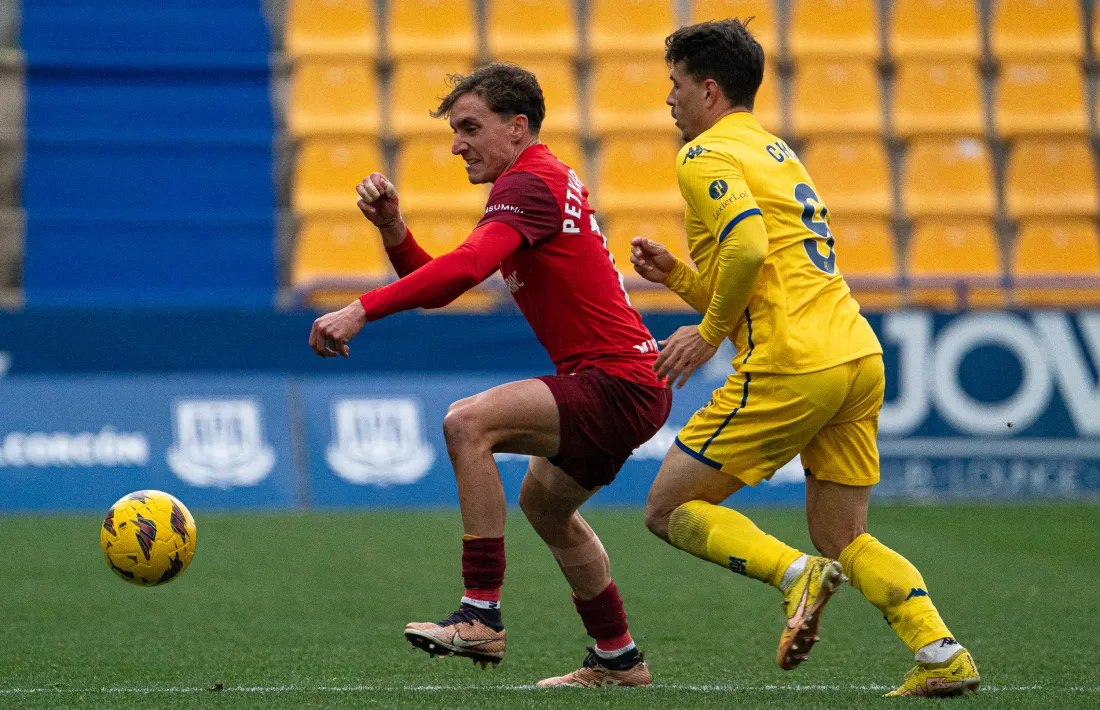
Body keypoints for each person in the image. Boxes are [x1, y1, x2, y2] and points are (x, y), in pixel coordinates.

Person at [628, 20, 980, 697]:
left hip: (791, 360)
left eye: (674, 85)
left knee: (668, 510)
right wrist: (678, 274)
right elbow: (768, 266)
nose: (668, 100)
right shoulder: (776, 152)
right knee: (844, 534)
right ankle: (939, 650)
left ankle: (795, 577)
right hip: (854, 354)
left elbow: (752, 251)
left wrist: (704, 331)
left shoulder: (702, 156)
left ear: (708, 89)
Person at [309, 63, 671, 688]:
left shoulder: (530, 180)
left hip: (618, 380)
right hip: (628, 381)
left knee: (466, 423)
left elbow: (466, 268)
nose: (456, 145)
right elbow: (444, 284)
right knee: (545, 508)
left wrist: (360, 307)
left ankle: (480, 615)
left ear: (517, 126)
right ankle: (618, 656)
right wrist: (394, 229)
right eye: (455, 130)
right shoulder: (533, 181)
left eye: (470, 127)